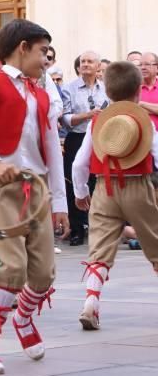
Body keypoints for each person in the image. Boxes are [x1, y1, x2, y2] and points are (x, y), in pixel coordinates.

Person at [0, 19, 69, 375]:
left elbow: (53, 148)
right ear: (23, 47)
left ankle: (23, 318)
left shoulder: (42, 93)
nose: (46, 60)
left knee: (43, 274)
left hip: (35, 187)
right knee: (14, 266)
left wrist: (59, 204)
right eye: (42, 52)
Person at [72, 61, 158, 331]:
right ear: (137, 93)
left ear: (107, 93)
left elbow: (79, 163)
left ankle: (91, 302)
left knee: (99, 248)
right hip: (138, 187)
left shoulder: (99, 121)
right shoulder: (142, 121)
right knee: (155, 242)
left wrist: (80, 192)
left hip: (103, 188)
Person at [62, 51, 107, 246]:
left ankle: (97, 227)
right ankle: (77, 229)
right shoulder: (69, 88)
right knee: (74, 182)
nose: (86, 64)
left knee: (98, 182)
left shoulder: (106, 89)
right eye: (83, 62)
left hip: (101, 138)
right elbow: (65, 119)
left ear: (98, 66)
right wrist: (89, 115)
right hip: (77, 137)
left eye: (90, 61)